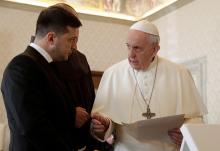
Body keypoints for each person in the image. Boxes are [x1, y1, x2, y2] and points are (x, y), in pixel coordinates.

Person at [91, 20, 207, 151]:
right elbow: (105, 121)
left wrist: (186, 134)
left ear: (155, 49)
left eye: (137, 48)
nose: (131, 55)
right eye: (128, 46)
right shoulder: (112, 74)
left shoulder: (179, 73)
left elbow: (194, 117)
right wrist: (105, 126)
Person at [1, 4, 89, 151]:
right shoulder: (21, 67)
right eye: (70, 40)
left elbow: (53, 111)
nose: (74, 47)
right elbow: (33, 127)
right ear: (51, 38)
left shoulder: (49, 65)